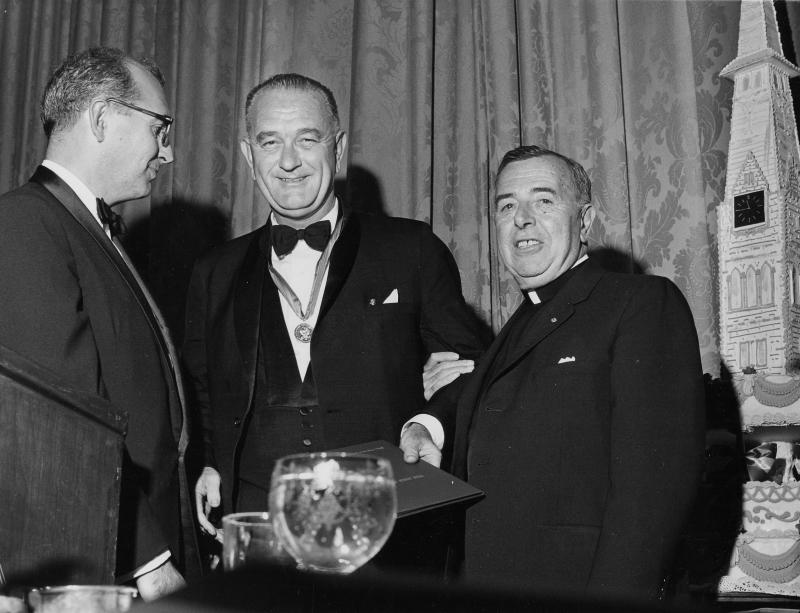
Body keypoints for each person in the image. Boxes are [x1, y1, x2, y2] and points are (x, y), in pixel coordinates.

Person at [183, 74, 489, 556]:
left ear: (338, 148)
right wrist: (207, 462)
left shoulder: (410, 249)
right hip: (262, 532)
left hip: (388, 528)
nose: (288, 162)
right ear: (248, 155)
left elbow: (473, 367)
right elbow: (199, 388)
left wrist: (427, 424)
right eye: (270, 142)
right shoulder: (213, 271)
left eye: (308, 139)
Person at [402, 145, 705, 601]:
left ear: (584, 221)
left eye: (543, 201)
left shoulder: (637, 303)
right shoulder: (512, 331)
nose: (522, 218)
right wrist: (429, 426)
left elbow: (652, 497)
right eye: (507, 206)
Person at [0, 47, 191, 599]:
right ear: (104, 118)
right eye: (160, 128)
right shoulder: (23, 224)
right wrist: (149, 563)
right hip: (104, 566)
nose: (169, 151)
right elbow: (64, 422)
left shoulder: (82, 227)